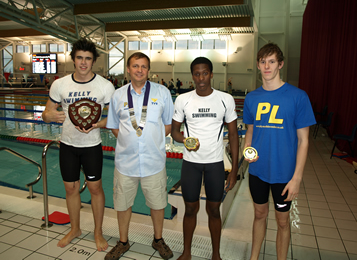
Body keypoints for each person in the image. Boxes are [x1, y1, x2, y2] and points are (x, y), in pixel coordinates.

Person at [242, 43, 316, 260]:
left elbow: (303, 141)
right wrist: (247, 149)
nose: (267, 66)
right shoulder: (251, 98)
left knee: (283, 222)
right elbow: (250, 131)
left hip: (284, 174)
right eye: (263, 61)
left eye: (272, 61)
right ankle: (254, 257)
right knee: (259, 214)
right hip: (258, 171)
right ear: (257, 65)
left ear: (280, 64)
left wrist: (297, 178)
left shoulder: (298, 96)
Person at [42, 38, 115, 251]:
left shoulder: (105, 86)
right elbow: (47, 113)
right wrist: (48, 116)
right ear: (74, 59)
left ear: (94, 62)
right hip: (68, 144)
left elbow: (114, 119)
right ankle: (75, 229)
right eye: (80, 58)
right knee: (70, 188)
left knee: (95, 188)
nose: (83, 63)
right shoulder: (60, 84)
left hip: (92, 145)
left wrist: (96, 125)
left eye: (88, 59)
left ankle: (98, 232)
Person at [105, 52, 174, 260]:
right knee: (123, 204)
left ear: (148, 70)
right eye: (135, 66)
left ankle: (158, 239)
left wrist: (149, 142)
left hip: (154, 162)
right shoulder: (118, 95)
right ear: (128, 69)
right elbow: (114, 127)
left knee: (158, 203)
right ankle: (123, 241)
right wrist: (131, 141)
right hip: (126, 163)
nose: (139, 70)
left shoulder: (162, 93)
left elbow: (168, 125)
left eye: (143, 66)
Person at [171, 57, 239, 260]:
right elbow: (174, 131)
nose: (201, 78)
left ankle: (216, 254)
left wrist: (234, 170)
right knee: (190, 208)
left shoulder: (225, 99)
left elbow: (234, 136)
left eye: (205, 73)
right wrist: (185, 140)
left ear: (211, 74)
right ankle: (187, 251)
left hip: (215, 164)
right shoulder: (183, 99)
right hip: (191, 163)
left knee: (214, 209)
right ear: (192, 76)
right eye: (197, 74)